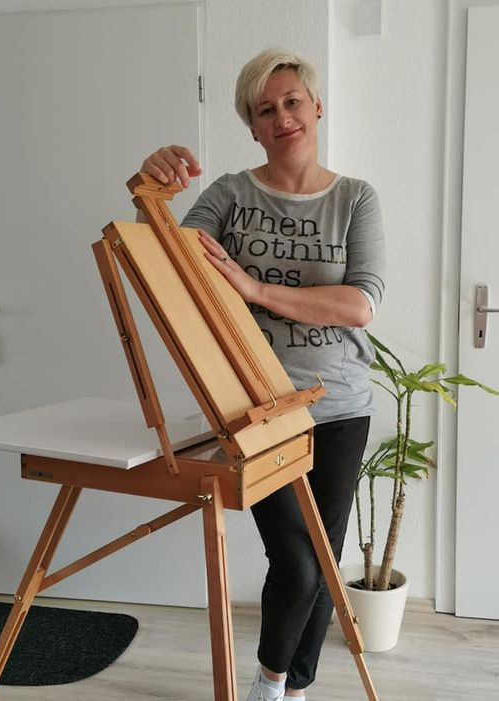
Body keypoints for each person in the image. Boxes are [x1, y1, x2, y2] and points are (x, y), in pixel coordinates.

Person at [140, 48, 385, 701]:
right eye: (265, 109)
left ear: (316, 107)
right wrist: (150, 194)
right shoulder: (230, 194)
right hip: (253, 408)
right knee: (297, 561)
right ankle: (268, 685)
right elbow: (168, 265)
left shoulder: (355, 199)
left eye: (292, 102)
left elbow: (360, 304)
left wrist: (253, 288)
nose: (282, 117)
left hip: (340, 406)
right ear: (252, 126)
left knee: (324, 563)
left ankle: (292, 688)